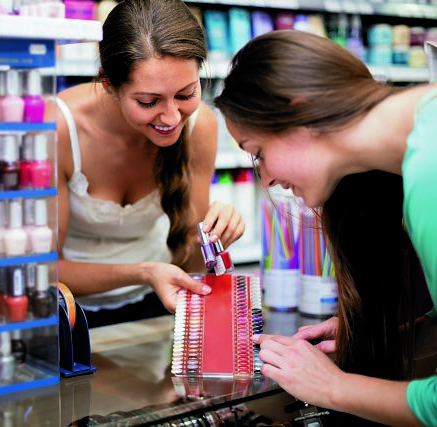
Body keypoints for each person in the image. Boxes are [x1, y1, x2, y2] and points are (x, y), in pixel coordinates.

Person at [214, 30, 437, 427]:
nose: (266, 178)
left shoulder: (429, 172)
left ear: (301, 114)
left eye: (258, 152)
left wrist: (332, 387)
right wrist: (393, 335)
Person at [47, 0, 245, 328]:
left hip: (159, 301)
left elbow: (191, 264)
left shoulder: (199, 126)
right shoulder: (58, 129)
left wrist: (215, 236)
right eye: (148, 101)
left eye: (185, 94)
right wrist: (143, 272)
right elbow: (45, 270)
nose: (171, 117)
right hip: (68, 313)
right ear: (109, 83)